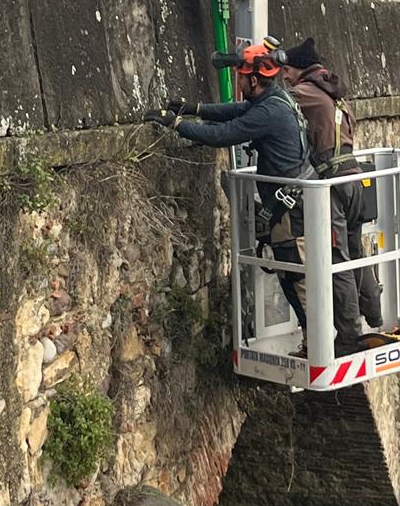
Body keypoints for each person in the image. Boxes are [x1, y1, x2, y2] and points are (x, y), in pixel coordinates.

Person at [145, 43, 313, 347]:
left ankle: (315, 340)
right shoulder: (274, 99)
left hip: (291, 211)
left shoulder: (271, 111)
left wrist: (177, 125)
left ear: (254, 79)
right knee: (291, 273)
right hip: (289, 205)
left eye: (240, 76)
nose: (237, 82)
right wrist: (192, 109)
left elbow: (224, 134)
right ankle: (312, 337)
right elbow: (235, 111)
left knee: (295, 276)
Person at [280, 37, 385, 353]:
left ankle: (350, 337)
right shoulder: (335, 95)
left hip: (332, 187)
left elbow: (274, 104)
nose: (283, 76)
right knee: (355, 252)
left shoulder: (304, 93)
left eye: (286, 70)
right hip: (354, 183)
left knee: (336, 261)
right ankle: (375, 313)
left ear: (298, 70)